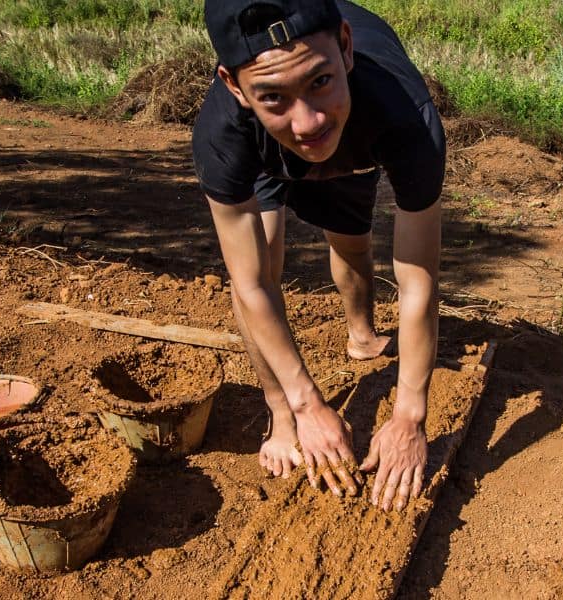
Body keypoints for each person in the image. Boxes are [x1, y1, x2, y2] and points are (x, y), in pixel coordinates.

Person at [193, 0, 445, 513]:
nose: (306, 121)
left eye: (318, 81)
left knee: (351, 239)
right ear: (236, 86)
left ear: (346, 47)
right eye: (273, 95)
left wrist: (408, 417)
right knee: (264, 259)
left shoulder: (405, 119)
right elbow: (250, 286)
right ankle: (280, 415)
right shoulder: (226, 135)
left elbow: (418, 282)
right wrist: (303, 403)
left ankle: (363, 337)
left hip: (358, 129)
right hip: (264, 147)